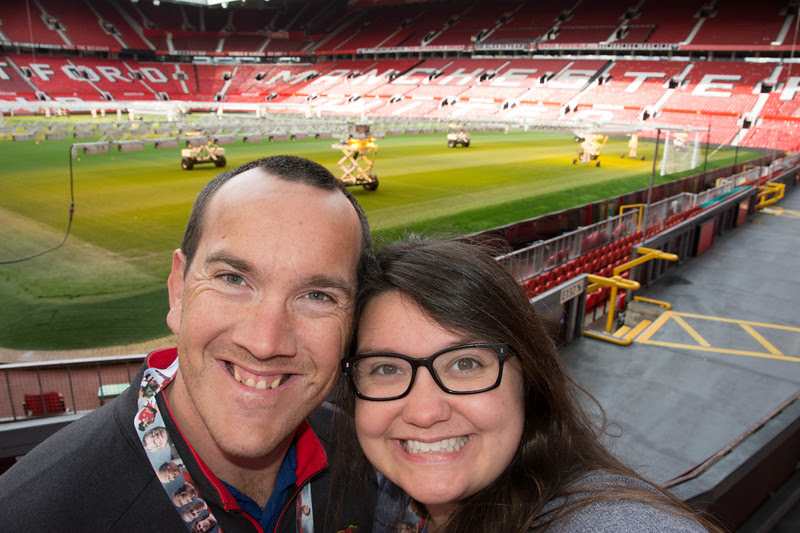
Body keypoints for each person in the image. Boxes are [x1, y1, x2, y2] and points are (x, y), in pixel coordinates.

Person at [0, 155, 379, 532]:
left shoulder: (364, 459)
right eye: (232, 279)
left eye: (317, 296)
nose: (265, 343)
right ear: (178, 290)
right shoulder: (31, 515)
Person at [338, 236, 721, 533]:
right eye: (386, 369)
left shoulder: (610, 522)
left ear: (529, 378)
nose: (424, 412)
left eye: (466, 363)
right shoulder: (383, 494)